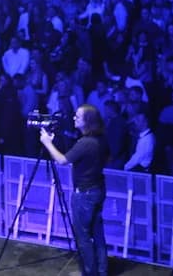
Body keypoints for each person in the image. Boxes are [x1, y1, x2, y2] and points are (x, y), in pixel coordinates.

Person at [40, 104, 109, 276]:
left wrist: (47, 143)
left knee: (83, 237)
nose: (74, 118)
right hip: (97, 189)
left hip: (84, 194)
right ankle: (102, 271)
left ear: (88, 121)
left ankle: (90, 273)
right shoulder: (100, 139)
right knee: (97, 234)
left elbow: (62, 160)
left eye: (78, 117)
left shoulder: (85, 143)